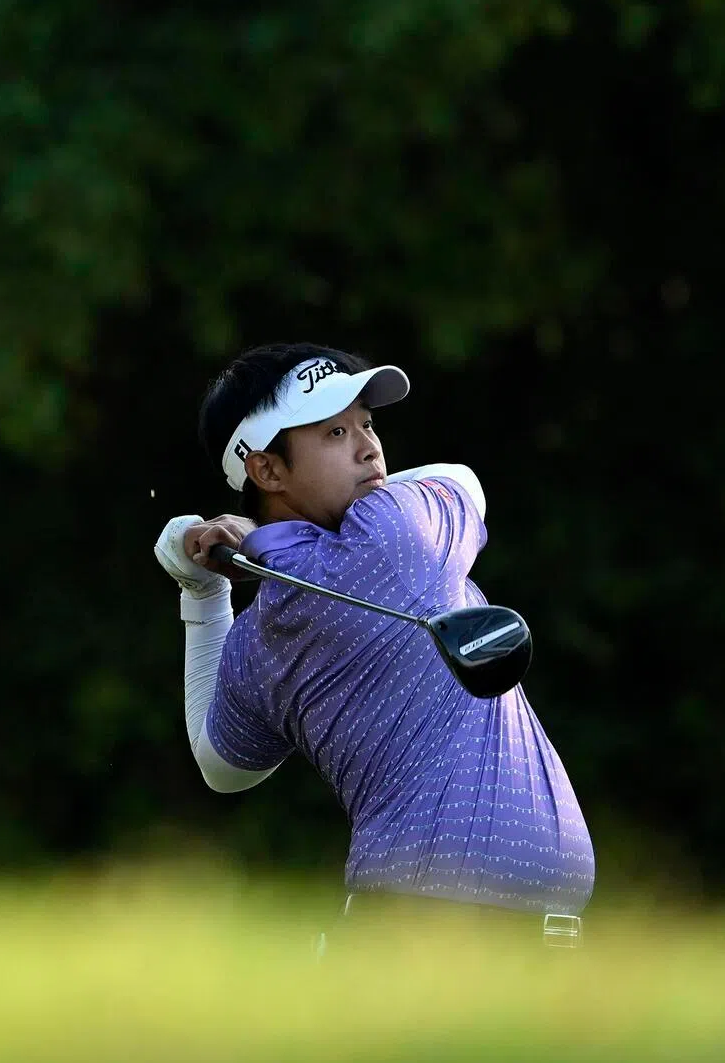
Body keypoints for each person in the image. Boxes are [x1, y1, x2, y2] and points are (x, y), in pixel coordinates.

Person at [155, 343, 595, 946]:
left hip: (451, 924)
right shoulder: (393, 532)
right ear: (268, 470)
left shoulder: (259, 638)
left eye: (367, 424)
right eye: (335, 432)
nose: (370, 447)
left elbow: (220, 765)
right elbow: (463, 481)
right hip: (433, 928)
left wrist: (201, 592)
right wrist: (264, 542)